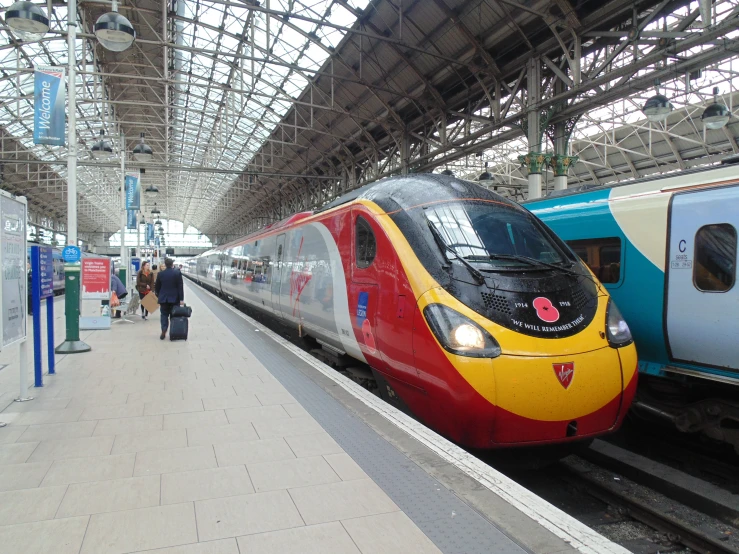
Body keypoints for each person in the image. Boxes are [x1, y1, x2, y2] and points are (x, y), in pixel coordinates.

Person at [155, 257, 184, 340]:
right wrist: (181, 299)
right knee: (173, 316)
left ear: (165, 265)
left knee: (164, 315)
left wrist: (159, 295)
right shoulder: (177, 273)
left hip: (164, 299)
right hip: (175, 299)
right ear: (172, 265)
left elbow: (157, 287)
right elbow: (180, 287)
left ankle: (164, 330)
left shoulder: (160, 274)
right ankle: (173, 332)